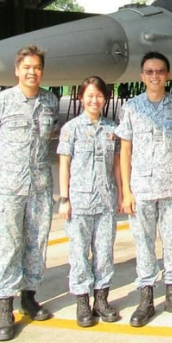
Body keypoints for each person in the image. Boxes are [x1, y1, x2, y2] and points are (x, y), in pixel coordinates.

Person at [0, 45, 59, 342]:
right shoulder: (1, 102)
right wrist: (6, 164)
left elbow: (48, 137)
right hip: (9, 188)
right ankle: (4, 309)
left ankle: (29, 297)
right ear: (17, 70)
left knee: (36, 244)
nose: (32, 72)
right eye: (27, 67)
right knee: (8, 246)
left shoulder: (50, 101)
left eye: (37, 67)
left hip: (39, 186)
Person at [116, 52, 172, 327]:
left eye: (160, 71)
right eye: (149, 71)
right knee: (144, 245)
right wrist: (126, 190)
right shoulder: (131, 108)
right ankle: (146, 298)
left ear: (168, 75)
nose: (154, 76)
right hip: (142, 189)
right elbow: (124, 150)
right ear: (142, 76)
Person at [57, 76, 122, 328]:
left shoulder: (111, 129)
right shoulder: (71, 128)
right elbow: (64, 164)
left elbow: (116, 164)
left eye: (99, 96)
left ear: (105, 99)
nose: (94, 100)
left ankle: (102, 300)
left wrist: (122, 192)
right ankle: (82, 302)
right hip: (79, 202)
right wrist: (64, 198)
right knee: (79, 254)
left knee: (104, 253)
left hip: (105, 201)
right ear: (81, 97)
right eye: (90, 95)